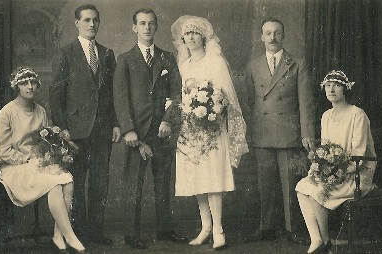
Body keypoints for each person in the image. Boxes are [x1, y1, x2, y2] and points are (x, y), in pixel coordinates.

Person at [171, 15, 249, 250]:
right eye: (187, 34)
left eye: (195, 33)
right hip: (190, 132)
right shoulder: (184, 65)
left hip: (213, 131)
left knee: (213, 180)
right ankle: (205, 228)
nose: (191, 37)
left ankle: (219, 230)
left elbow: (228, 98)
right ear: (182, 39)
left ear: (203, 37)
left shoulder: (215, 61)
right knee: (197, 182)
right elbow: (182, 97)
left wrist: (211, 107)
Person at [0, 68, 90, 254]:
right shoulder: (7, 112)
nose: (30, 86)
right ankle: (70, 237)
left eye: (33, 82)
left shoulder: (40, 111)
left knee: (68, 181)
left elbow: (46, 141)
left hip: (38, 162)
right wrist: (27, 158)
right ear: (17, 86)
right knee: (54, 184)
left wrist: (51, 152)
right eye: (24, 83)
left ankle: (58, 236)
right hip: (15, 165)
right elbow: (3, 150)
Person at [113, 8, 186, 249]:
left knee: (163, 183)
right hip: (138, 132)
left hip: (162, 132)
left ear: (156, 27)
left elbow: (177, 93)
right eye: (142, 24)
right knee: (134, 184)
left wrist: (168, 120)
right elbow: (120, 98)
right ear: (134, 27)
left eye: (151, 24)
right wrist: (128, 130)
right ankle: (131, 234)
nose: (147, 28)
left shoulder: (167, 58)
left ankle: (165, 230)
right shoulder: (125, 59)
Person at [49, 4, 120, 246]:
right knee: (76, 184)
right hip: (74, 131)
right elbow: (56, 94)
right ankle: (77, 232)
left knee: (100, 183)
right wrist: (61, 128)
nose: (92, 24)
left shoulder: (107, 53)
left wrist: (115, 124)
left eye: (95, 20)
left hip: (101, 130)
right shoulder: (65, 53)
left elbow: (113, 94)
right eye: (87, 20)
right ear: (77, 23)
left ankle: (96, 232)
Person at [243, 17, 315, 244]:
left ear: (283, 36)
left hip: (289, 133)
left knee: (290, 184)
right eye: (268, 33)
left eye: (277, 33)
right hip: (262, 133)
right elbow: (248, 100)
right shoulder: (253, 65)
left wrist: (307, 133)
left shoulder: (297, 63)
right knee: (264, 185)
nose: (272, 38)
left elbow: (306, 102)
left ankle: (292, 229)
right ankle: (266, 228)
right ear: (261, 37)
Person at [296, 70, 377, 253]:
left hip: (357, 173)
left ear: (345, 89)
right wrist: (320, 168)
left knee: (316, 191)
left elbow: (359, 153)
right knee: (303, 187)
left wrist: (337, 171)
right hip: (333, 171)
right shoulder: (326, 116)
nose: (332, 89)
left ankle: (325, 242)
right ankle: (318, 239)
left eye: (337, 85)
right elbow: (325, 149)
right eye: (328, 85)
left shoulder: (357, 114)